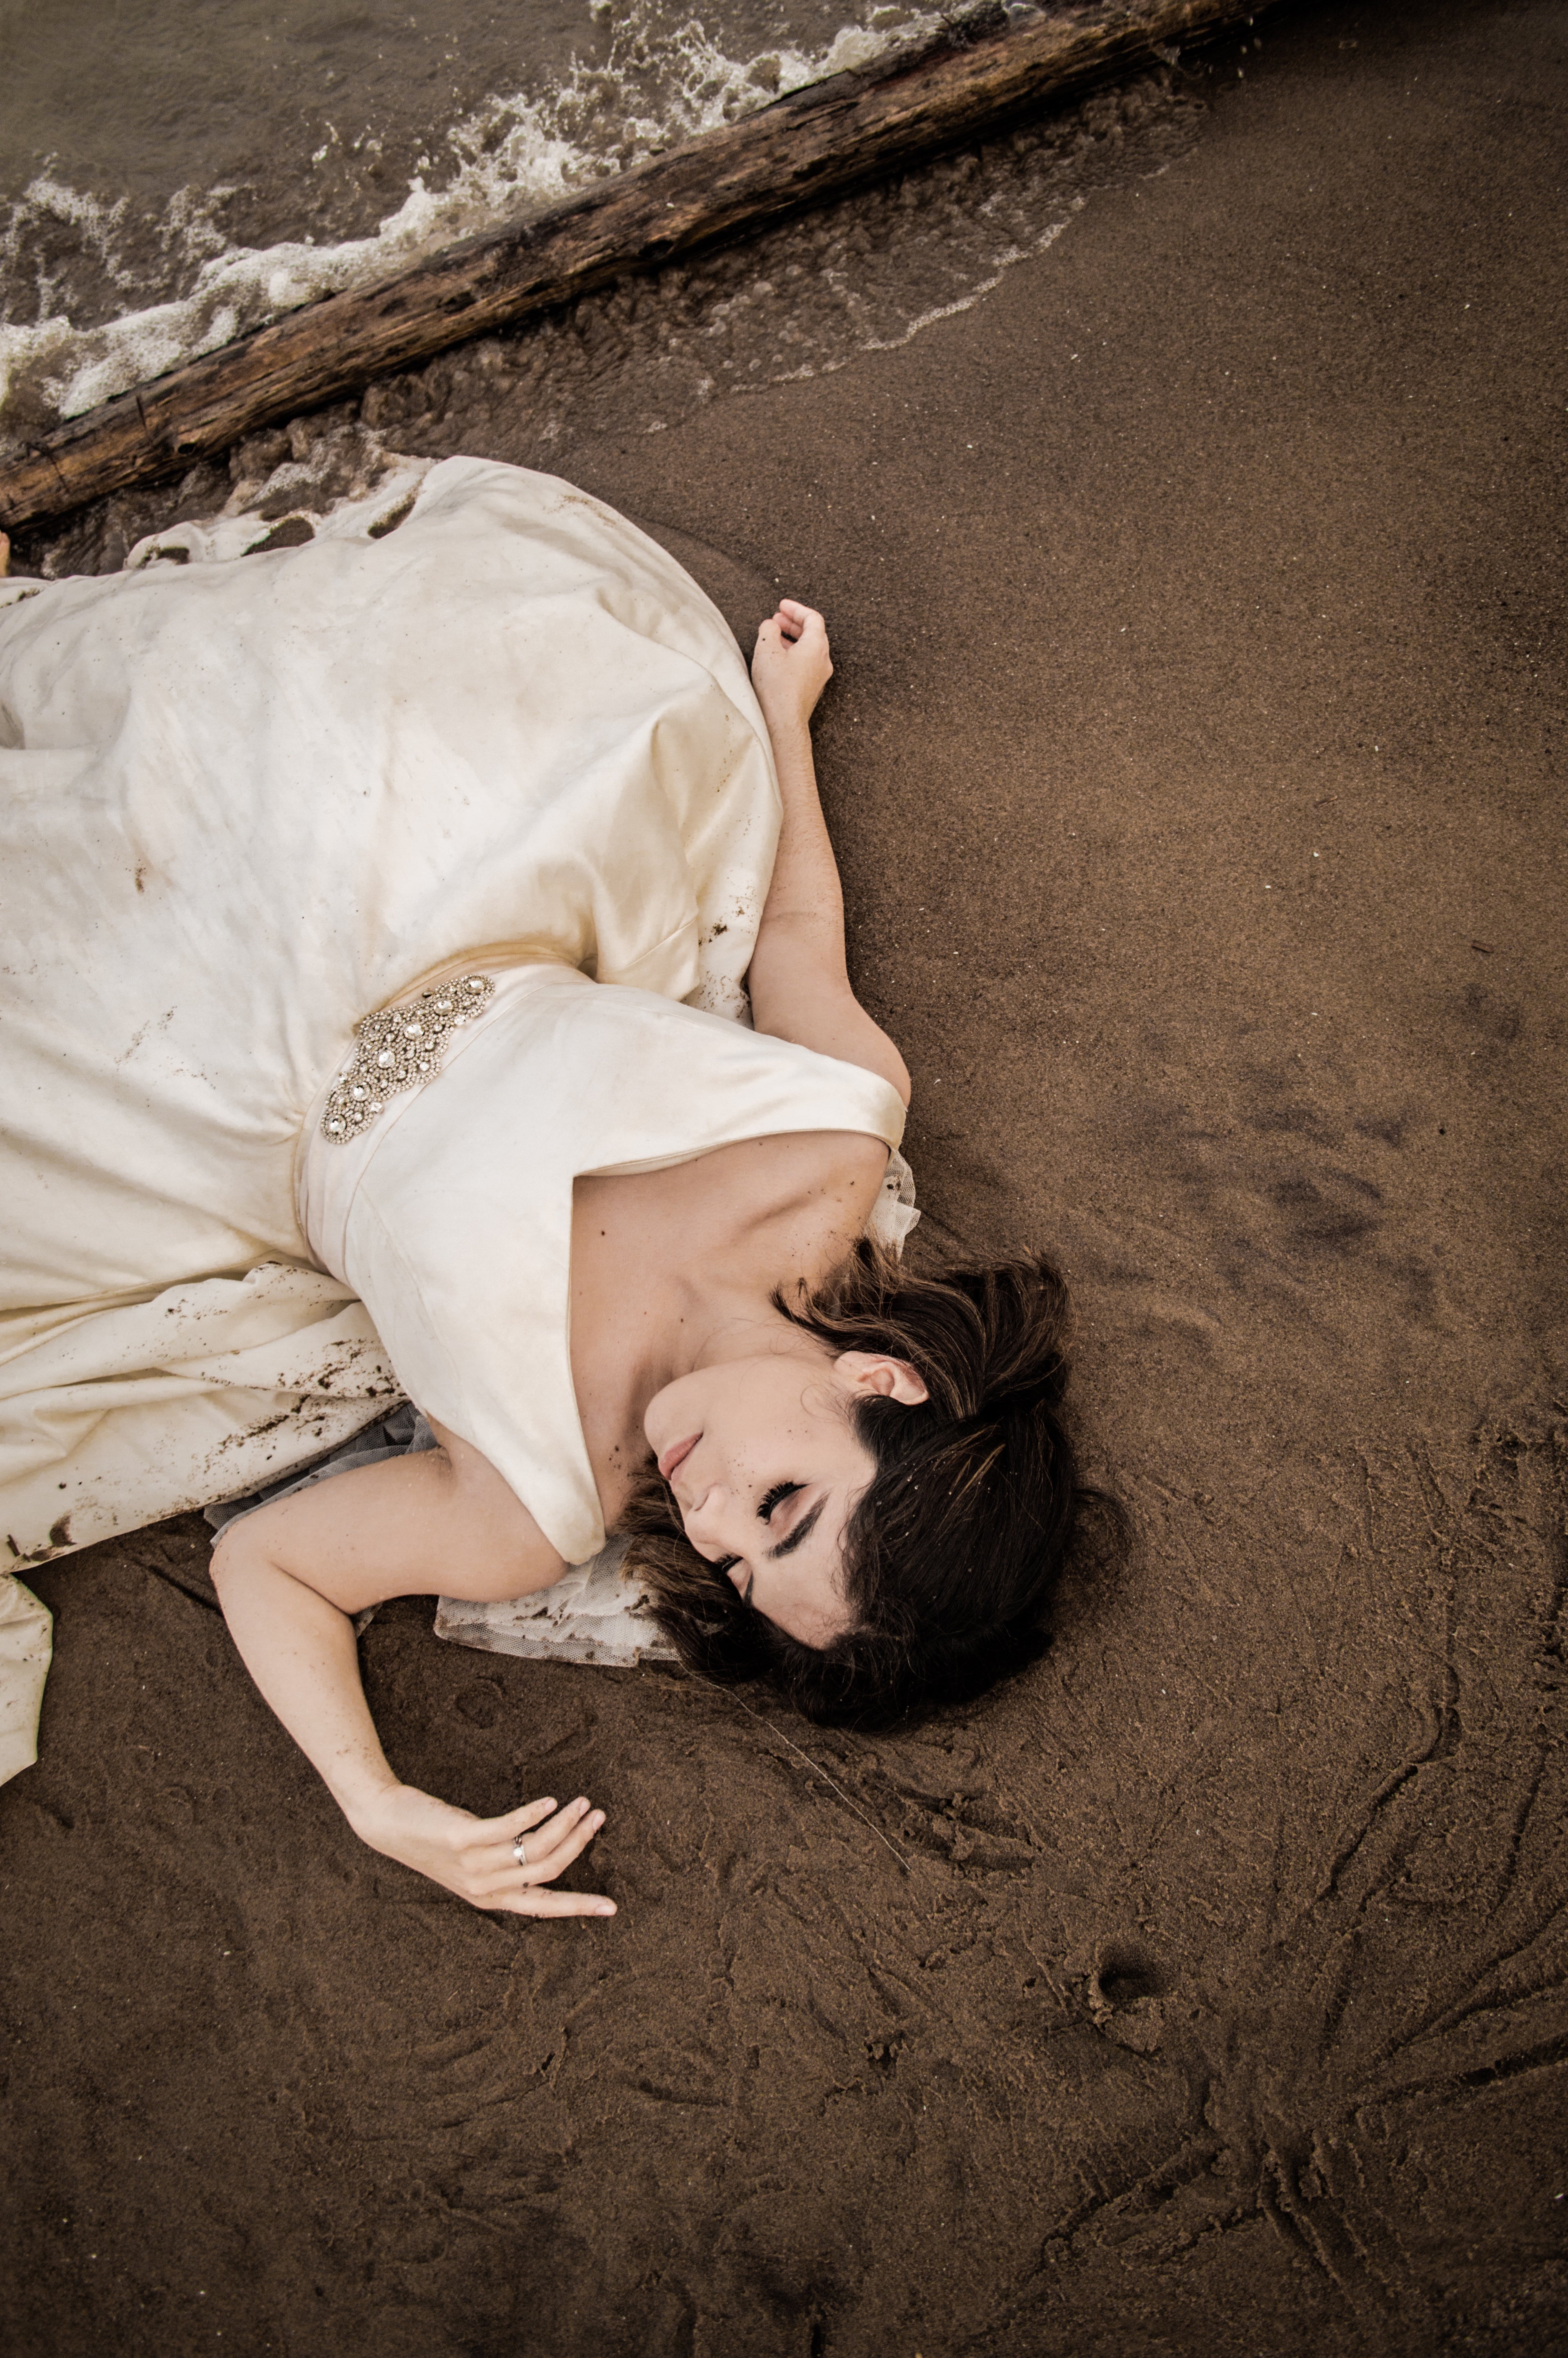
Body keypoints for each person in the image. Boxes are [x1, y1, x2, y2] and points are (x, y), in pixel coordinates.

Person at [0, 461, 1092, 1919]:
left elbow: (275, 1564)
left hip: (204, 1106)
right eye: (781, 1506)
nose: (710, 1522)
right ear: (883, 1384)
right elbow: (794, 933)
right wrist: (782, 722)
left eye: (737, 1568)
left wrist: (378, 1802)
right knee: (185, 696)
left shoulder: (533, 1506)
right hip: (423, 903)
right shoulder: (834, 1130)